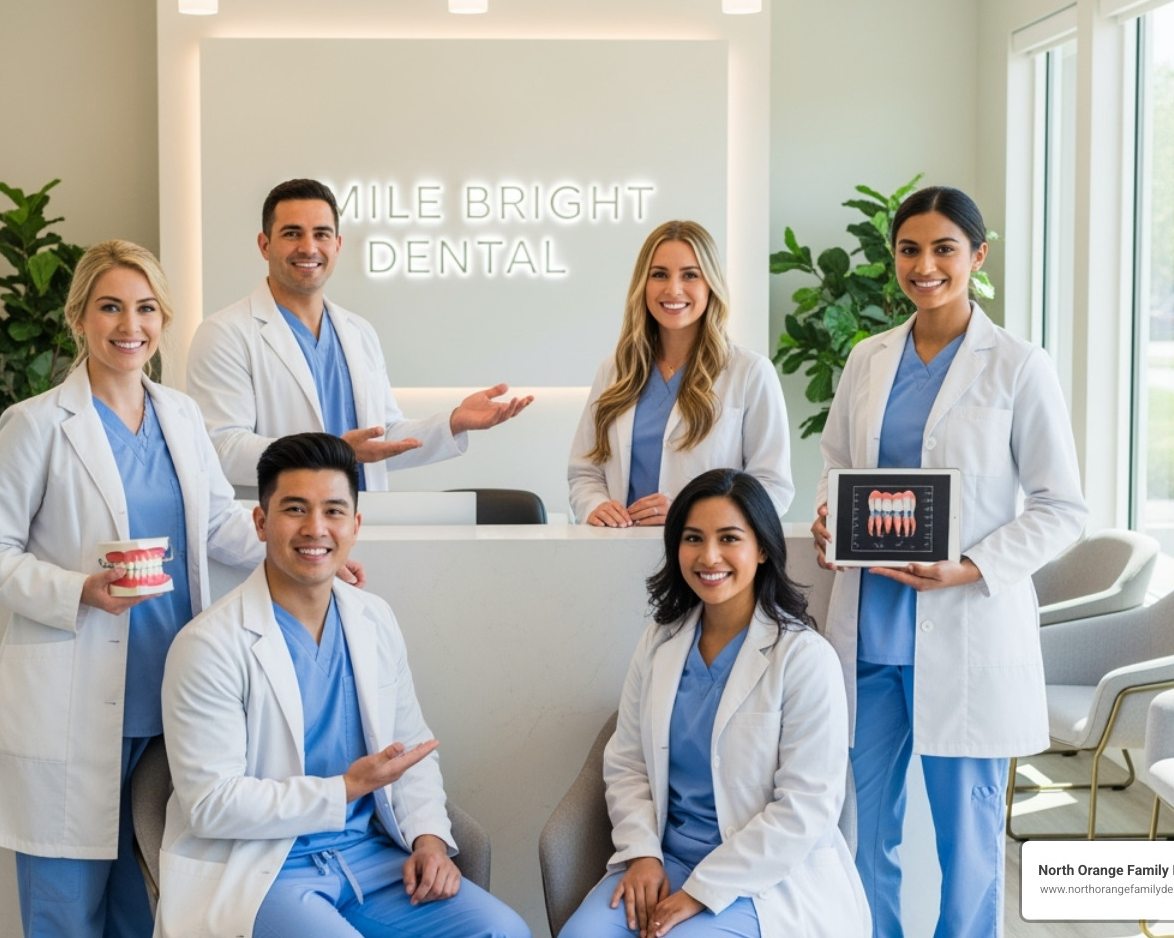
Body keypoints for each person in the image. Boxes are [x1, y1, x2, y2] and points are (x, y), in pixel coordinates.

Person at [0, 240, 264, 938]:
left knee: (146, 904)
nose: (131, 324)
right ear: (79, 318)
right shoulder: (34, 425)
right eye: (111, 307)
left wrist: (301, 549)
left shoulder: (182, 417)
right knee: (64, 911)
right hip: (72, 699)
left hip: (169, 703)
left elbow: (217, 523)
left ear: (165, 318)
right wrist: (78, 590)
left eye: (147, 308)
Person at [811, 186, 1089, 938]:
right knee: (860, 831)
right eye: (909, 250)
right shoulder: (868, 359)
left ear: (977, 257)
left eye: (943, 250)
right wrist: (829, 518)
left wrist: (968, 566)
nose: (924, 266)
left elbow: (1062, 507)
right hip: (869, 637)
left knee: (967, 846)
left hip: (965, 635)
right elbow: (838, 464)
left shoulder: (1019, 366)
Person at [155, 432, 531, 938]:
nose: (316, 528)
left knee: (504, 931)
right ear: (261, 522)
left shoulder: (374, 619)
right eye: (295, 509)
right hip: (266, 869)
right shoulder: (208, 645)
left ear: (355, 525)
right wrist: (345, 789)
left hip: (371, 857)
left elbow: (412, 749)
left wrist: (429, 841)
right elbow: (211, 804)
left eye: (333, 511)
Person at [559, 468, 870, 938]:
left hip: (762, 881)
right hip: (666, 860)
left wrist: (702, 891)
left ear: (762, 548)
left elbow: (806, 807)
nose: (709, 557)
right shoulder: (659, 643)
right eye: (693, 538)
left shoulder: (805, 657)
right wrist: (641, 854)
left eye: (729, 538)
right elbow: (627, 764)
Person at [187, 178, 533, 495]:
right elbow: (222, 448)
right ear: (265, 245)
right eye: (292, 233)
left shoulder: (359, 332)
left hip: (360, 521)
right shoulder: (225, 334)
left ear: (337, 245)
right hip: (281, 529)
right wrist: (334, 452)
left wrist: (453, 421)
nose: (309, 248)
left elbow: (381, 440)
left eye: (321, 234)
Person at [567, 221, 792, 527]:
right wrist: (595, 505)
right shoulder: (616, 370)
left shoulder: (750, 372)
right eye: (659, 274)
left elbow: (773, 484)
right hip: (619, 549)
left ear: (710, 283)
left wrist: (692, 516)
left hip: (707, 558)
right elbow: (585, 471)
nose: (673, 289)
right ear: (642, 285)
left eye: (690, 275)